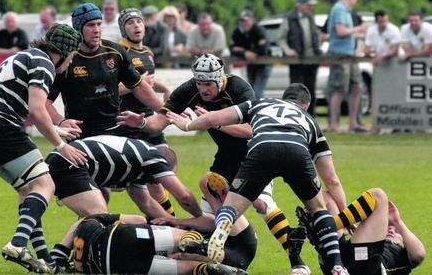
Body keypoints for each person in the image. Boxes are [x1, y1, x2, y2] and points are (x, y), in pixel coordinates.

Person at [118, 61, 337, 274]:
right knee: (209, 199)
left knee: (262, 204)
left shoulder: (239, 89)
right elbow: (160, 122)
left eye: (208, 84)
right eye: (199, 83)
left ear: (220, 79)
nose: (203, 89)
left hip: (254, 155)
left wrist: (216, 123)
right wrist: (143, 123)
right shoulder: (189, 89)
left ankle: (296, 260)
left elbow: (251, 130)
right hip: (226, 157)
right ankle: (216, 256)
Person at [166, 83, 350, 275]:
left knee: (230, 207)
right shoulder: (310, 120)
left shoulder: (260, 103)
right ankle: (337, 265)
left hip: (262, 149)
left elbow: (213, 118)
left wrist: (187, 125)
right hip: (297, 150)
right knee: (318, 208)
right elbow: (332, 180)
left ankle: (220, 233)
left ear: (283, 98)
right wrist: (345, 215)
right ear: (306, 105)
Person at [0, 23, 87, 273]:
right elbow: (37, 110)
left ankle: (44, 258)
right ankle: (18, 244)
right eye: (72, 56)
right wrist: (61, 145)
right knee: (45, 184)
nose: (70, 63)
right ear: (63, 51)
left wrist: (59, 128)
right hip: (1, 126)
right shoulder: (45, 63)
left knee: (28, 189)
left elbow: (19, 102)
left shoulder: (23, 56)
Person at [46, 3, 162, 140]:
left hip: (116, 130)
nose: (96, 30)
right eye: (90, 25)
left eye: (99, 24)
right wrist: (61, 121)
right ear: (78, 28)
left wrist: (167, 110)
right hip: (81, 134)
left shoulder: (116, 51)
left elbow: (138, 86)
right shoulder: (66, 59)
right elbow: (44, 103)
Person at [45, 135, 202, 218]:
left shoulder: (138, 171)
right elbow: (184, 197)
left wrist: (173, 223)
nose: (160, 183)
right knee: (99, 217)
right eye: (167, 175)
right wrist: (198, 218)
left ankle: (63, 254)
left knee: (91, 218)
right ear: (164, 166)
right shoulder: (153, 157)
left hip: (62, 159)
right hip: (68, 161)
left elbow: (147, 203)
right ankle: (74, 258)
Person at [118, 8, 178, 216]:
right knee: (148, 180)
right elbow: (113, 88)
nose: (136, 26)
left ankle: (167, 219)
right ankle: (167, 220)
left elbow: (149, 81)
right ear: (123, 29)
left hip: (150, 120)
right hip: (129, 123)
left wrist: (166, 89)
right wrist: (137, 83)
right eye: (130, 23)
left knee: (165, 169)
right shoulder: (118, 52)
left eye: (139, 22)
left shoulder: (148, 53)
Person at [49, 213, 247, 275]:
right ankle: (190, 242)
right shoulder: (89, 222)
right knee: (183, 236)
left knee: (188, 268)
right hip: (124, 236)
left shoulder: (81, 266)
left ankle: (210, 269)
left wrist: (58, 256)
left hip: (115, 267)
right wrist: (150, 222)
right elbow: (134, 218)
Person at [297, 188, 426, 275]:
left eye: (396, 233)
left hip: (367, 266)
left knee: (378, 196)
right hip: (340, 258)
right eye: (388, 227)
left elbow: (419, 255)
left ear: (404, 242)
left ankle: (325, 229)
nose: (390, 230)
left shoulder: (403, 256)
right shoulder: (374, 239)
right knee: (326, 198)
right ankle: (326, 229)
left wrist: (398, 222)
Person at [152, 170, 258, 271]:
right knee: (192, 248)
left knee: (206, 180)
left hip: (236, 247)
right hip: (237, 250)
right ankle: (225, 208)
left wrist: (177, 222)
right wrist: (177, 222)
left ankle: (225, 207)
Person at [326, 0, 367, 133]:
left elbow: (347, 33)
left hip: (350, 54)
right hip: (339, 54)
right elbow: (341, 31)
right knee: (338, 89)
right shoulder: (339, 9)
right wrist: (359, 29)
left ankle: (353, 123)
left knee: (357, 87)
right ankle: (334, 124)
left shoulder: (347, 10)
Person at [279, 0, 321, 116]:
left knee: (311, 90)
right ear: (300, 5)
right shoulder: (289, 18)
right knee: (296, 90)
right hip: (296, 61)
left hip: (312, 60)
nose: (311, 7)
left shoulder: (311, 18)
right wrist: (287, 50)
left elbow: (315, 36)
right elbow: (281, 39)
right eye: (308, 5)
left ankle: (311, 117)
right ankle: (294, 116)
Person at [230, 9, 271, 99]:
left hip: (263, 64)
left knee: (257, 92)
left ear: (252, 20)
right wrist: (244, 52)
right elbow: (232, 48)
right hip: (251, 65)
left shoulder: (259, 30)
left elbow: (264, 48)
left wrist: (252, 52)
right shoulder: (239, 31)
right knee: (251, 91)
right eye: (242, 21)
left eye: (246, 20)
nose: (244, 23)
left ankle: (259, 110)